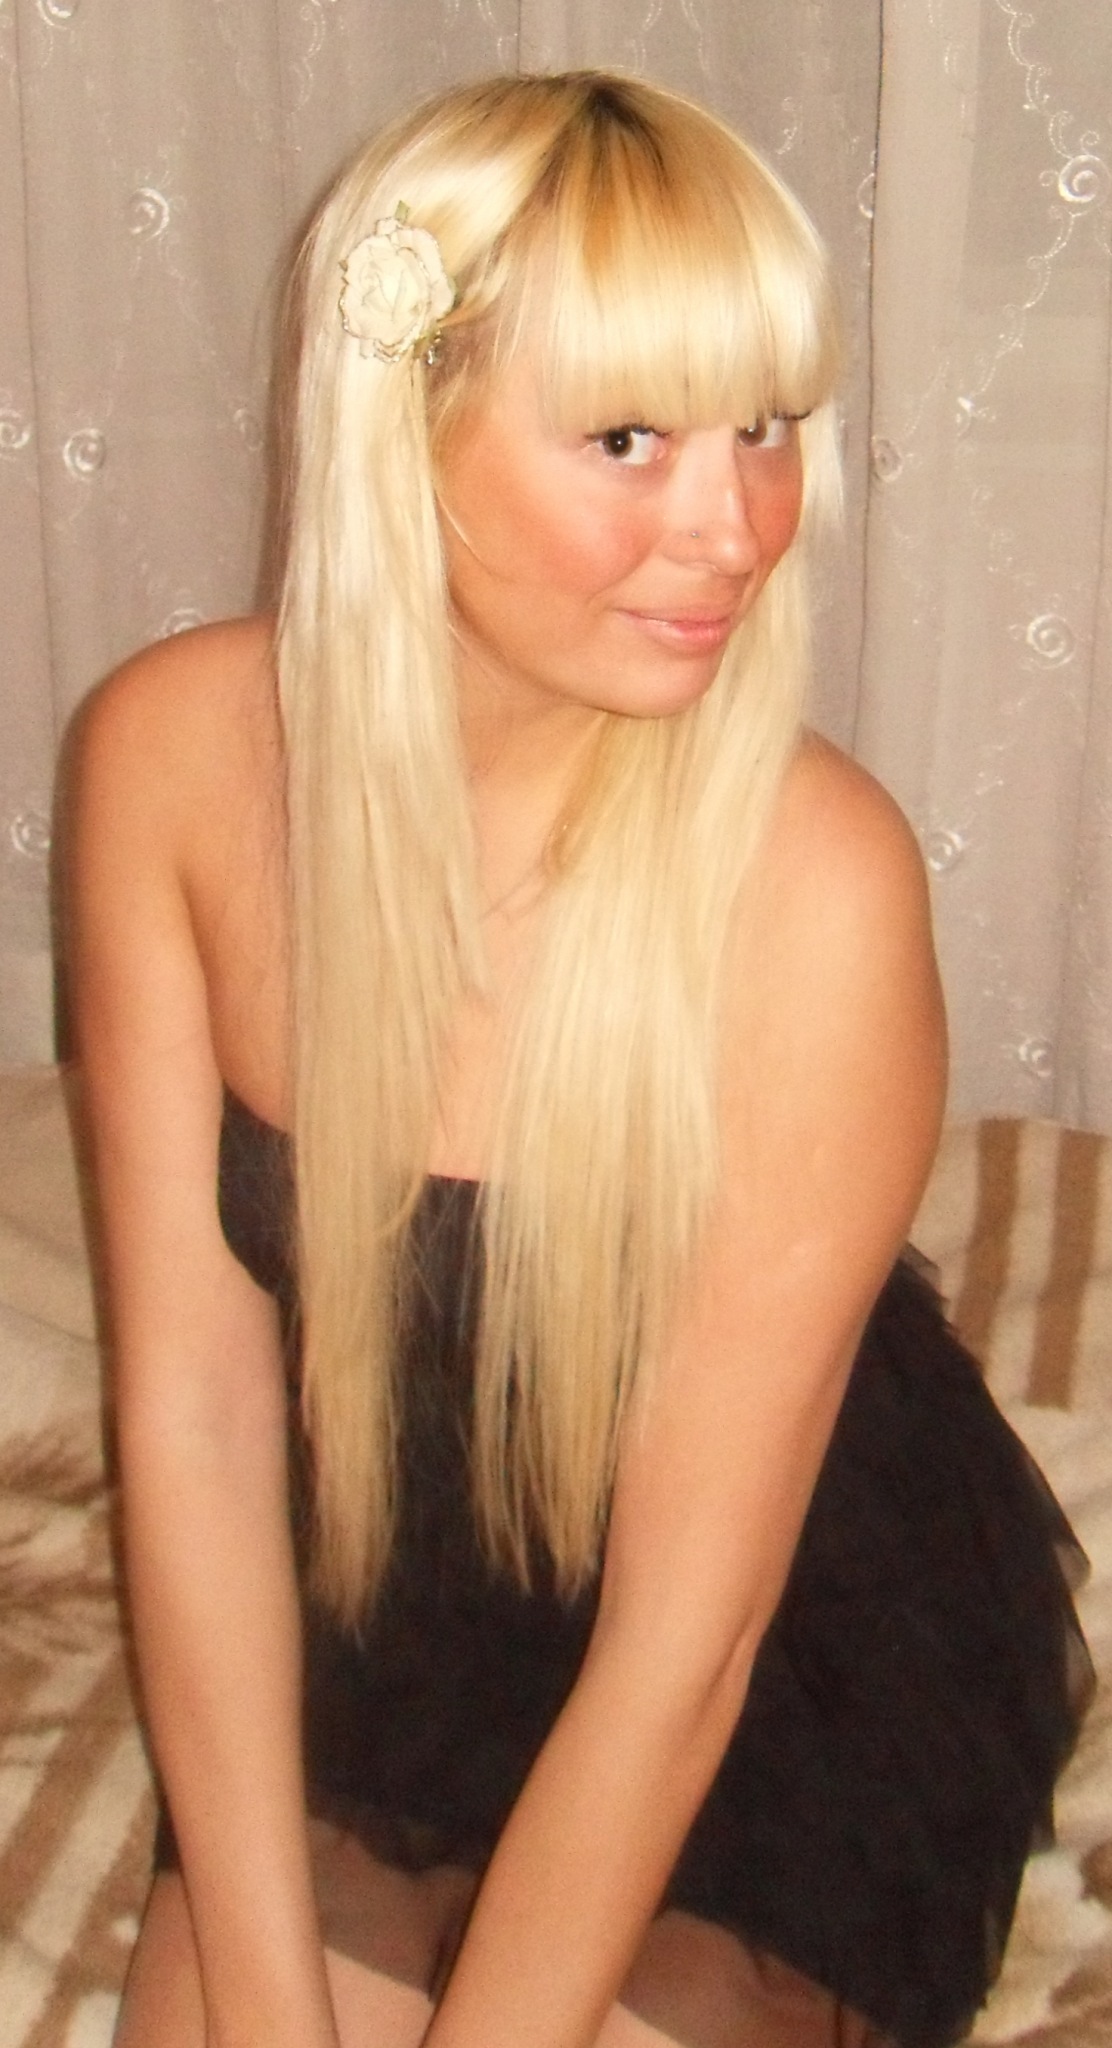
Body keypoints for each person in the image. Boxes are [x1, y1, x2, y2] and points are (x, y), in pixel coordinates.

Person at [70, 70, 1089, 2048]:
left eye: (767, 428)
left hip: (766, 1642)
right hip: (388, 1576)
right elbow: (193, 1412)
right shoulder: (173, 766)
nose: (735, 528)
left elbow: (687, 1645)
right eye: (630, 438)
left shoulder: (816, 888)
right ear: (404, 426)